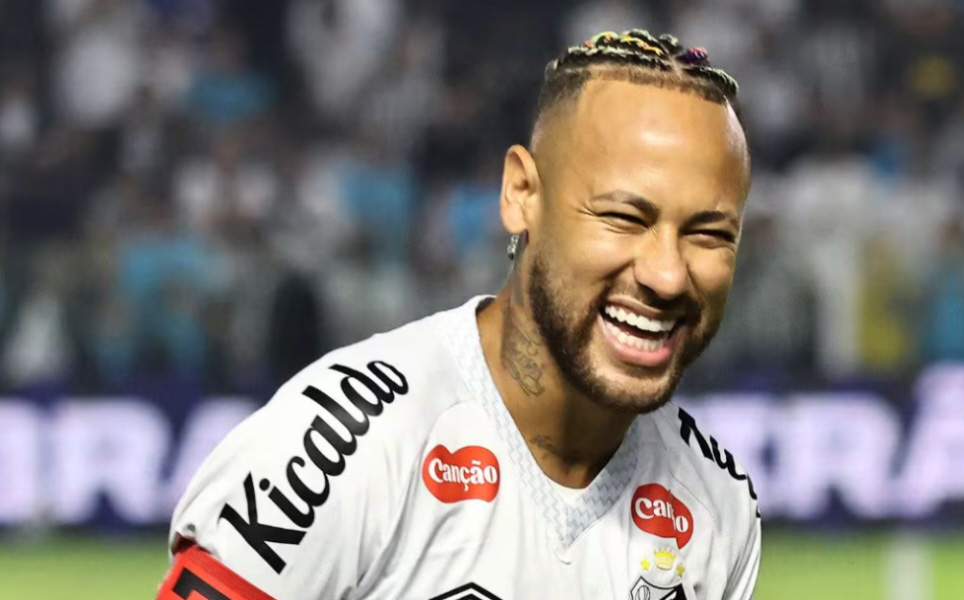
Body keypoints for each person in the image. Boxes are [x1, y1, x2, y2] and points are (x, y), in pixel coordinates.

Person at [157, 30, 760, 600]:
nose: (667, 275)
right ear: (521, 194)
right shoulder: (337, 449)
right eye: (623, 218)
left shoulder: (718, 507)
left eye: (709, 234)